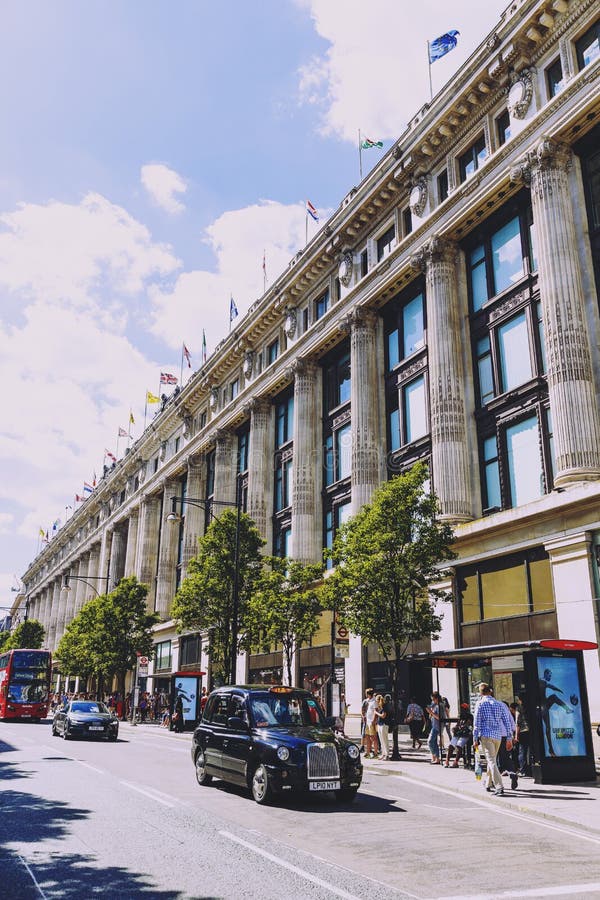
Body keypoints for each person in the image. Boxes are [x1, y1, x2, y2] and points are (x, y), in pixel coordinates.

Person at [472, 682, 516, 796]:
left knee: (491, 761)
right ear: (490, 691)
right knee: (492, 760)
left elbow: (476, 723)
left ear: (481, 693)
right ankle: (488, 783)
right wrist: (509, 738)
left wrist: (475, 738)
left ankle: (499, 787)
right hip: (498, 736)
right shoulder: (499, 704)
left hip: (486, 736)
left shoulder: (480, 704)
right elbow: (506, 721)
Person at [444, 703, 473, 768]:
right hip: (458, 734)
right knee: (451, 746)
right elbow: (458, 724)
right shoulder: (460, 716)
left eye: (464, 709)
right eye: (462, 709)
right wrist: (455, 728)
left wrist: (462, 727)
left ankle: (455, 762)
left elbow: (469, 725)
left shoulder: (470, 716)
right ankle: (447, 761)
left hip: (465, 734)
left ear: (467, 709)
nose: (462, 710)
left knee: (459, 746)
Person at [515, 693, 531, 776]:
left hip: (522, 731)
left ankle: (522, 770)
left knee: (522, 751)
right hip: (531, 731)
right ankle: (531, 768)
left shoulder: (519, 708)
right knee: (530, 750)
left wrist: (516, 735)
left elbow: (517, 722)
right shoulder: (530, 706)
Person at [426, 692, 442, 764]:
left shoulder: (439, 706)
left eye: (433, 699)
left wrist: (431, 712)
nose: (432, 701)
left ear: (437, 699)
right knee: (434, 742)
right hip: (434, 725)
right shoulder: (435, 706)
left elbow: (439, 717)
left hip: (436, 726)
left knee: (430, 741)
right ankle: (437, 758)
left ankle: (434, 756)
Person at [363, 688, 379, 758]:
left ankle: (375, 753)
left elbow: (376, 711)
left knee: (373, 738)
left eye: (366, 693)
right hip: (367, 721)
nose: (365, 695)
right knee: (367, 737)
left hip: (371, 722)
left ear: (369, 694)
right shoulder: (367, 701)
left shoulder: (374, 701)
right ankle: (368, 752)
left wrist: (374, 721)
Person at [374, 694, 389, 760]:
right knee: (381, 740)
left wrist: (376, 713)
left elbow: (383, 716)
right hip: (380, 724)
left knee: (385, 740)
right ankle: (383, 754)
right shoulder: (379, 707)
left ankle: (387, 755)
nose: (376, 701)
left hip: (384, 724)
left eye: (376, 700)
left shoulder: (384, 706)